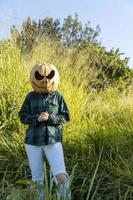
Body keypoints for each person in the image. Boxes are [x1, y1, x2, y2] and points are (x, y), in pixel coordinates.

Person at [18, 63, 71, 200]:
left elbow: (66, 117)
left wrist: (50, 118)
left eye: (49, 76)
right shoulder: (30, 97)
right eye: (40, 76)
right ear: (33, 77)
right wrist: (37, 118)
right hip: (32, 142)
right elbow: (22, 116)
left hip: (52, 140)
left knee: (61, 177)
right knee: (36, 180)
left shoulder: (58, 96)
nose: (44, 80)